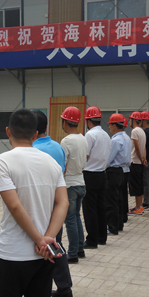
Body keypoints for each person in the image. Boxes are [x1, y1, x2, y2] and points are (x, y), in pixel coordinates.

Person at [0, 109, 69, 297]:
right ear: (36, 134)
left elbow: (14, 205)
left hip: (10, 256)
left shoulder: (3, 160)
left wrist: (39, 239)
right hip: (43, 259)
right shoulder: (51, 163)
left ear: (8, 131)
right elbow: (63, 203)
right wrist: (48, 239)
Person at [16, 110, 73, 297]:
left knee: (39, 251)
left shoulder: (32, 150)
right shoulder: (57, 146)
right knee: (55, 244)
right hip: (57, 205)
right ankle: (65, 288)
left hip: (39, 207)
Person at [60, 106, 88, 263]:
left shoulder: (66, 141)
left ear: (65, 122)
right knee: (76, 217)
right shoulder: (83, 138)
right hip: (81, 181)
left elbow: (62, 165)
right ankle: (80, 249)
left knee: (70, 219)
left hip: (69, 184)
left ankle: (72, 253)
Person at [82, 106, 111, 249]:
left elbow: (85, 156)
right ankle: (102, 237)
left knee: (90, 209)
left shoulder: (90, 135)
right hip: (102, 174)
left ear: (88, 121)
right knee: (101, 207)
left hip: (90, 174)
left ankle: (92, 240)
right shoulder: (106, 135)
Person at [105, 114, 130, 235]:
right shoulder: (126, 137)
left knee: (111, 200)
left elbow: (108, 159)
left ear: (114, 126)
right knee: (120, 199)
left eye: (110, 125)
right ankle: (119, 224)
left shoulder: (115, 140)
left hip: (113, 171)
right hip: (122, 170)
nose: (109, 127)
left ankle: (112, 227)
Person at [128, 111, 146, 215]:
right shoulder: (142, 131)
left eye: (130, 120)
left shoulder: (134, 131)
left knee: (135, 186)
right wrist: (144, 159)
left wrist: (140, 158)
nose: (129, 122)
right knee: (139, 184)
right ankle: (139, 206)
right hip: (140, 162)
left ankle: (138, 208)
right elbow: (144, 147)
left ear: (134, 120)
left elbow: (137, 147)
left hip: (135, 161)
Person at [140, 110, 149, 210]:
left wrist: (143, 159)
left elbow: (143, 147)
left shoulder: (145, 132)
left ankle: (146, 203)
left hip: (146, 160)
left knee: (146, 182)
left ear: (144, 121)